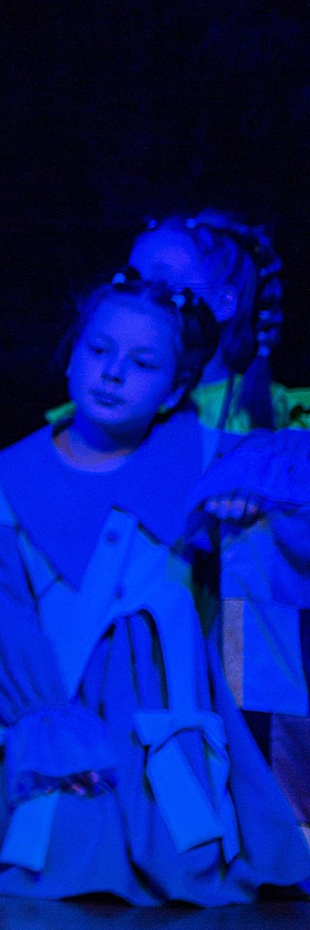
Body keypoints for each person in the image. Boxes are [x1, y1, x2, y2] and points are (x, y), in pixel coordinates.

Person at [0, 270, 310, 903]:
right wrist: (51, 735)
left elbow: (293, 458)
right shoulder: (4, 478)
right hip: (47, 711)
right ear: (71, 357)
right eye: (99, 350)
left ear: (174, 389)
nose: (112, 374)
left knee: (177, 853)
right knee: (67, 842)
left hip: (155, 723)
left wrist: (253, 473)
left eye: (143, 363)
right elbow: (4, 628)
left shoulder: (196, 454)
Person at [123, 213, 310, 827]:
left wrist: (260, 496)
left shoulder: (280, 421)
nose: (143, 295)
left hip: (236, 648)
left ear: (226, 303)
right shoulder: (114, 411)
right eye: (130, 278)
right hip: (141, 639)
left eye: (163, 280)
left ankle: (273, 811)